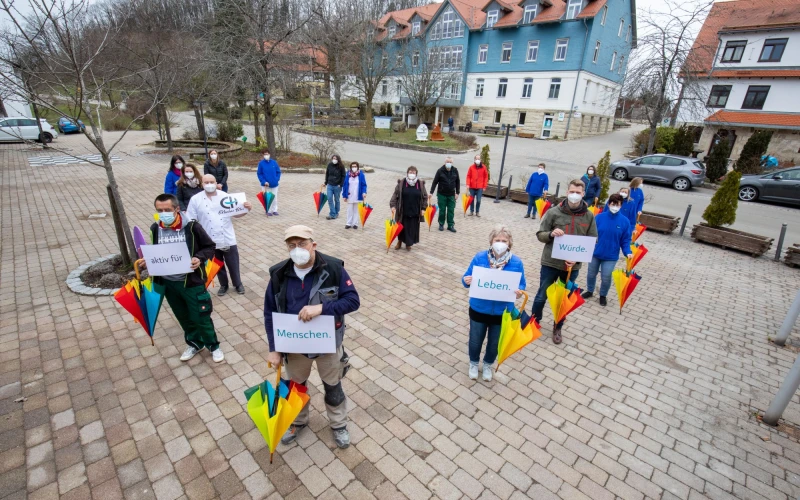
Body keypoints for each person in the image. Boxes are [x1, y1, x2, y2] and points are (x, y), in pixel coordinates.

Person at [264, 225, 360, 449]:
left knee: (333, 387)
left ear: (313, 245)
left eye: (302, 244)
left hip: (327, 343)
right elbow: (270, 313)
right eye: (292, 246)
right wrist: (274, 348)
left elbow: (353, 301)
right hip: (294, 345)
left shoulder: (334, 268)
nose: (297, 249)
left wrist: (321, 308)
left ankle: (338, 425)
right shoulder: (278, 274)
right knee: (296, 387)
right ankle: (297, 421)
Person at [138, 194, 224, 362]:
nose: (164, 213)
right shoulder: (155, 228)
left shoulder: (192, 227)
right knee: (183, 316)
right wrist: (149, 261)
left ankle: (213, 346)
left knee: (201, 315)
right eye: (159, 210)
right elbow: (157, 252)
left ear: (177, 209)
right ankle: (194, 343)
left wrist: (199, 258)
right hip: (169, 284)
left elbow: (210, 247)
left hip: (191, 282)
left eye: (167, 210)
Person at [532, 179, 598, 344]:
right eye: (571, 191)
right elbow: (540, 234)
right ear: (567, 192)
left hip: (571, 267)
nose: (574, 195)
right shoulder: (554, 212)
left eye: (578, 192)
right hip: (550, 263)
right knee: (541, 295)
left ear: (583, 194)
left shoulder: (589, 216)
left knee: (563, 299)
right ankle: (534, 322)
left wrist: (576, 259)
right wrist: (551, 234)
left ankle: (558, 326)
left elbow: (592, 240)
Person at [462, 225, 526, 382]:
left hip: (502, 311)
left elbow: (522, 284)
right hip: (479, 308)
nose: (501, 243)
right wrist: (466, 280)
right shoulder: (480, 257)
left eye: (504, 240)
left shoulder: (516, 262)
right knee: (475, 339)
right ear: (491, 241)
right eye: (497, 240)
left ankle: (488, 364)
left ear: (509, 243)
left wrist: (519, 291)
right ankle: (473, 363)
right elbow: (466, 277)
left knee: (494, 343)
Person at [186, 175, 253, 296]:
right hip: (208, 238)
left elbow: (236, 214)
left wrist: (246, 209)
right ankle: (223, 284)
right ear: (202, 183)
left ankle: (238, 283)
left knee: (233, 262)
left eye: (212, 182)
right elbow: (191, 219)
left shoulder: (225, 196)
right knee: (217, 263)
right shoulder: (196, 199)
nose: (209, 184)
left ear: (216, 183)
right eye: (206, 182)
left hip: (227, 236)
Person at [581, 194, 633, 306]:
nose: (615, 206)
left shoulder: (625, 222)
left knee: (606, 277)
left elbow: (625, 240)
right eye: (613, 204)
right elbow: (590, 233)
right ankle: (590, 290)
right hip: (595, 253)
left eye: (617, 204)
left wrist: (628, 252)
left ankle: (603, 295)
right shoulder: (599, 217)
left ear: (621, 205)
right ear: (609, 204)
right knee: (591, 274)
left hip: (611, 256)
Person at [390, 166, 428, 251]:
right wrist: (393, 206)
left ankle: (408, 243)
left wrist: (423, 208)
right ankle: (399, 241)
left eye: (413, 173)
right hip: (403, 210)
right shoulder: (401, 183)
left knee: (411, 228)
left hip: (415, 210)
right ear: (407, 173)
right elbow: (395, 195)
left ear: (416, 174)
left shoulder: (420, 184)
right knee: (401, 227)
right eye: (410, 172)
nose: (412, 174)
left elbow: (425, 197)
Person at [429, 156, 460, 232]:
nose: (448, 163)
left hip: (451, 194)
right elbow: (435, 182)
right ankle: (441, 224)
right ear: (445, 162)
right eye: (447, 162)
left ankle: (450, 225)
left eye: (450, 162)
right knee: (442, 210)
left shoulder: (455, 170)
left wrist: (457, 192)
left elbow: (458, 182)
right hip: (441, 194)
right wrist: (431, 192)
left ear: (452, 163)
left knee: (451, 210)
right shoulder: (440, 171)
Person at [342, 162, 367, 229]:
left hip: (357, 195)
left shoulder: (361, 175)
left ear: (357, 167)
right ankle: (348, 223)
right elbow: (345, 185)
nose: (354, 167)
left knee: (356, 210)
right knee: (349, 210)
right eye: (352, 166)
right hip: (350, 195)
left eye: (355, 166)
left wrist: (364, 192)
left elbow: (364, 185)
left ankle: (355, 224)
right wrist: (344, 195)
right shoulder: (348, 174)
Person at [257, 150, 281, 216]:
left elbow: (278, 172)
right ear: (263, 155)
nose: (266, 155)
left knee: (274, 198)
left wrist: (277, 179)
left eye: (267, 154)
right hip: (266, 185)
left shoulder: (274, 162)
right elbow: (259, 174)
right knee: (267, 198)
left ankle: (274, 210)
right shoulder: (261, 164)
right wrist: (264, 181)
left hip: (274, 184)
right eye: (265, 154)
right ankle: (268, 210)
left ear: (269, 154)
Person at [324, 154, 346, 220]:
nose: (334, 160)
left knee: (336, 200)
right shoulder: (330, 165)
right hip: (330, 185)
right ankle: (332, 213)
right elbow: (327, 173)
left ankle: (336, 212)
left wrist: (341, 184)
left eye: (336, 159)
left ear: (338, 159)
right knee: (329, 199)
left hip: (337, 186)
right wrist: (326, 182)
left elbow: (343, 176)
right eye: (333, 158)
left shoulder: (341, 166)